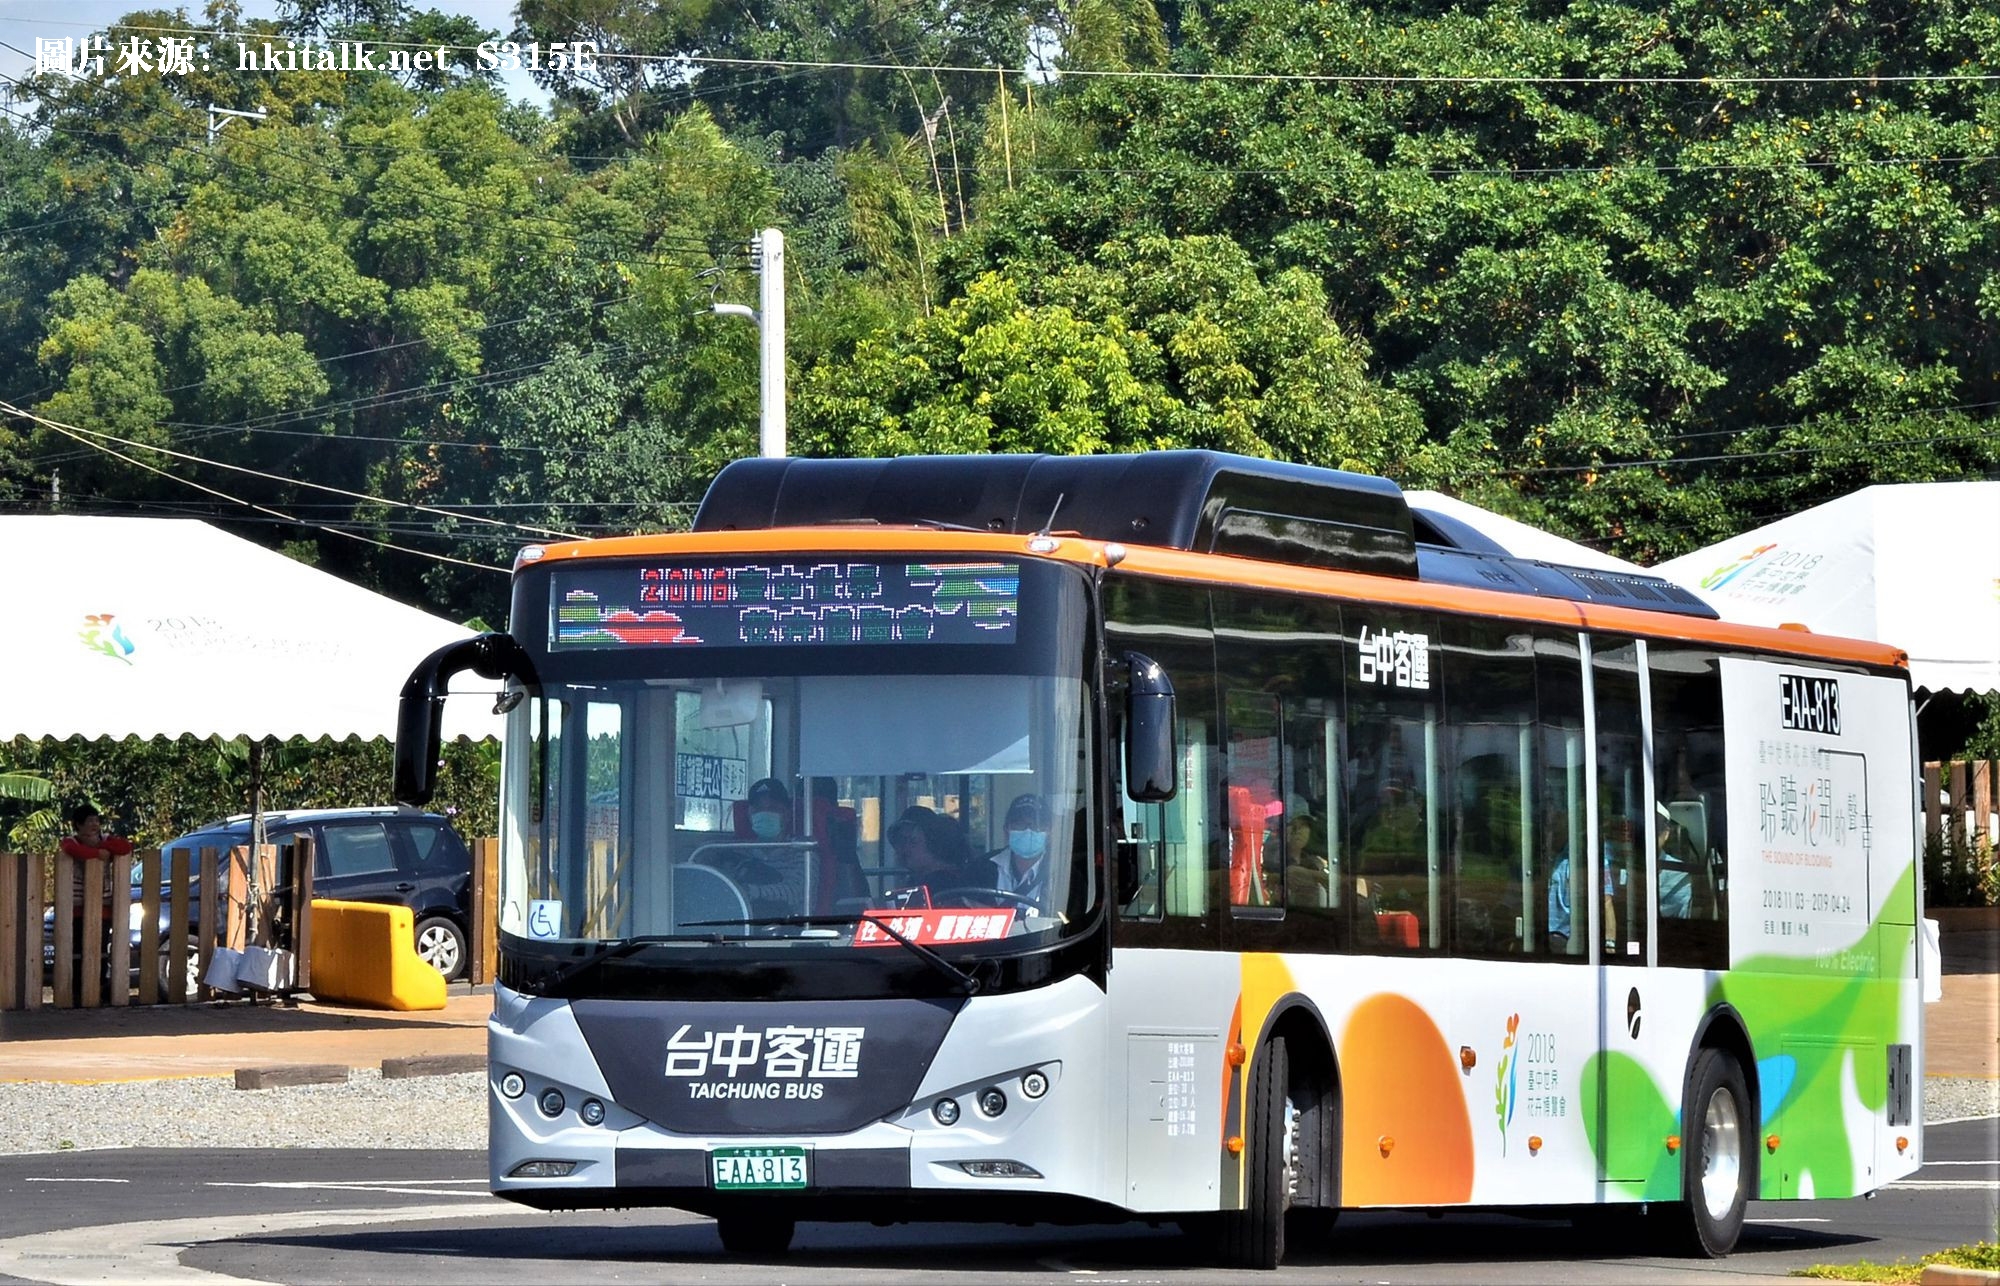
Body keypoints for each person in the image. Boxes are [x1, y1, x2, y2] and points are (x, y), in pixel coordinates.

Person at [696, 777, 807, 919]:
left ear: (787, 814)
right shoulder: (738, 849)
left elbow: (795, 892)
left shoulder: (803, 850)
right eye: (759, 809)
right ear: (749, 814)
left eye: (773, 808)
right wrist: (709, 853)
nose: (765, 814)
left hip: (786, 929)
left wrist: (749, 892)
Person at [59, 804, 132, 996]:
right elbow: (71, 849)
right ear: (78, 825)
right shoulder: (71, 841)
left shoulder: (106, 839)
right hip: (77, 907)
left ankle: (98, 987)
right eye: (89, 821)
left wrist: (100, 846)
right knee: (77, 950)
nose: (94, 824)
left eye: (96, 820)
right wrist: (97, 853)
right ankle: (77, 990)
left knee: (100, 950)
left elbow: (125, 847)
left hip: (103, 906)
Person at [984, 793, 1052, 910]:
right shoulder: (981, 868)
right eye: (1020, 824)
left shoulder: (1062, 873)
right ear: (1006, 830)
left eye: (1037, 825)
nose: (1028, 830)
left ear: (1049, 832)